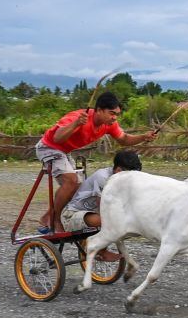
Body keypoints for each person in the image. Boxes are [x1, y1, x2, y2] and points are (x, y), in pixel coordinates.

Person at [34, 92, 157, 233]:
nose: (114, 118)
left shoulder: (109, 124)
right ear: (99, 110)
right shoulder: (78, 118)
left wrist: (143, 137)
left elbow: (123, 139)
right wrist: (76, 124)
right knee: (71, 182)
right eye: (111, 113)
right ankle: (54, 220)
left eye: (117, 114)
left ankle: (47, 217)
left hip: (64, 151)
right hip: (49, 147)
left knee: (77, 186)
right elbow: (57, 138)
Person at [61, 150, 144, 258]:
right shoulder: (103, 177)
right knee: (111, 220)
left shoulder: (122, 180)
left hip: (93, 214)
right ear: (119, 170)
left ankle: (98, 244)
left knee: (124, 221)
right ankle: (99, 250)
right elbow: (102, 205)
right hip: (71, 215)